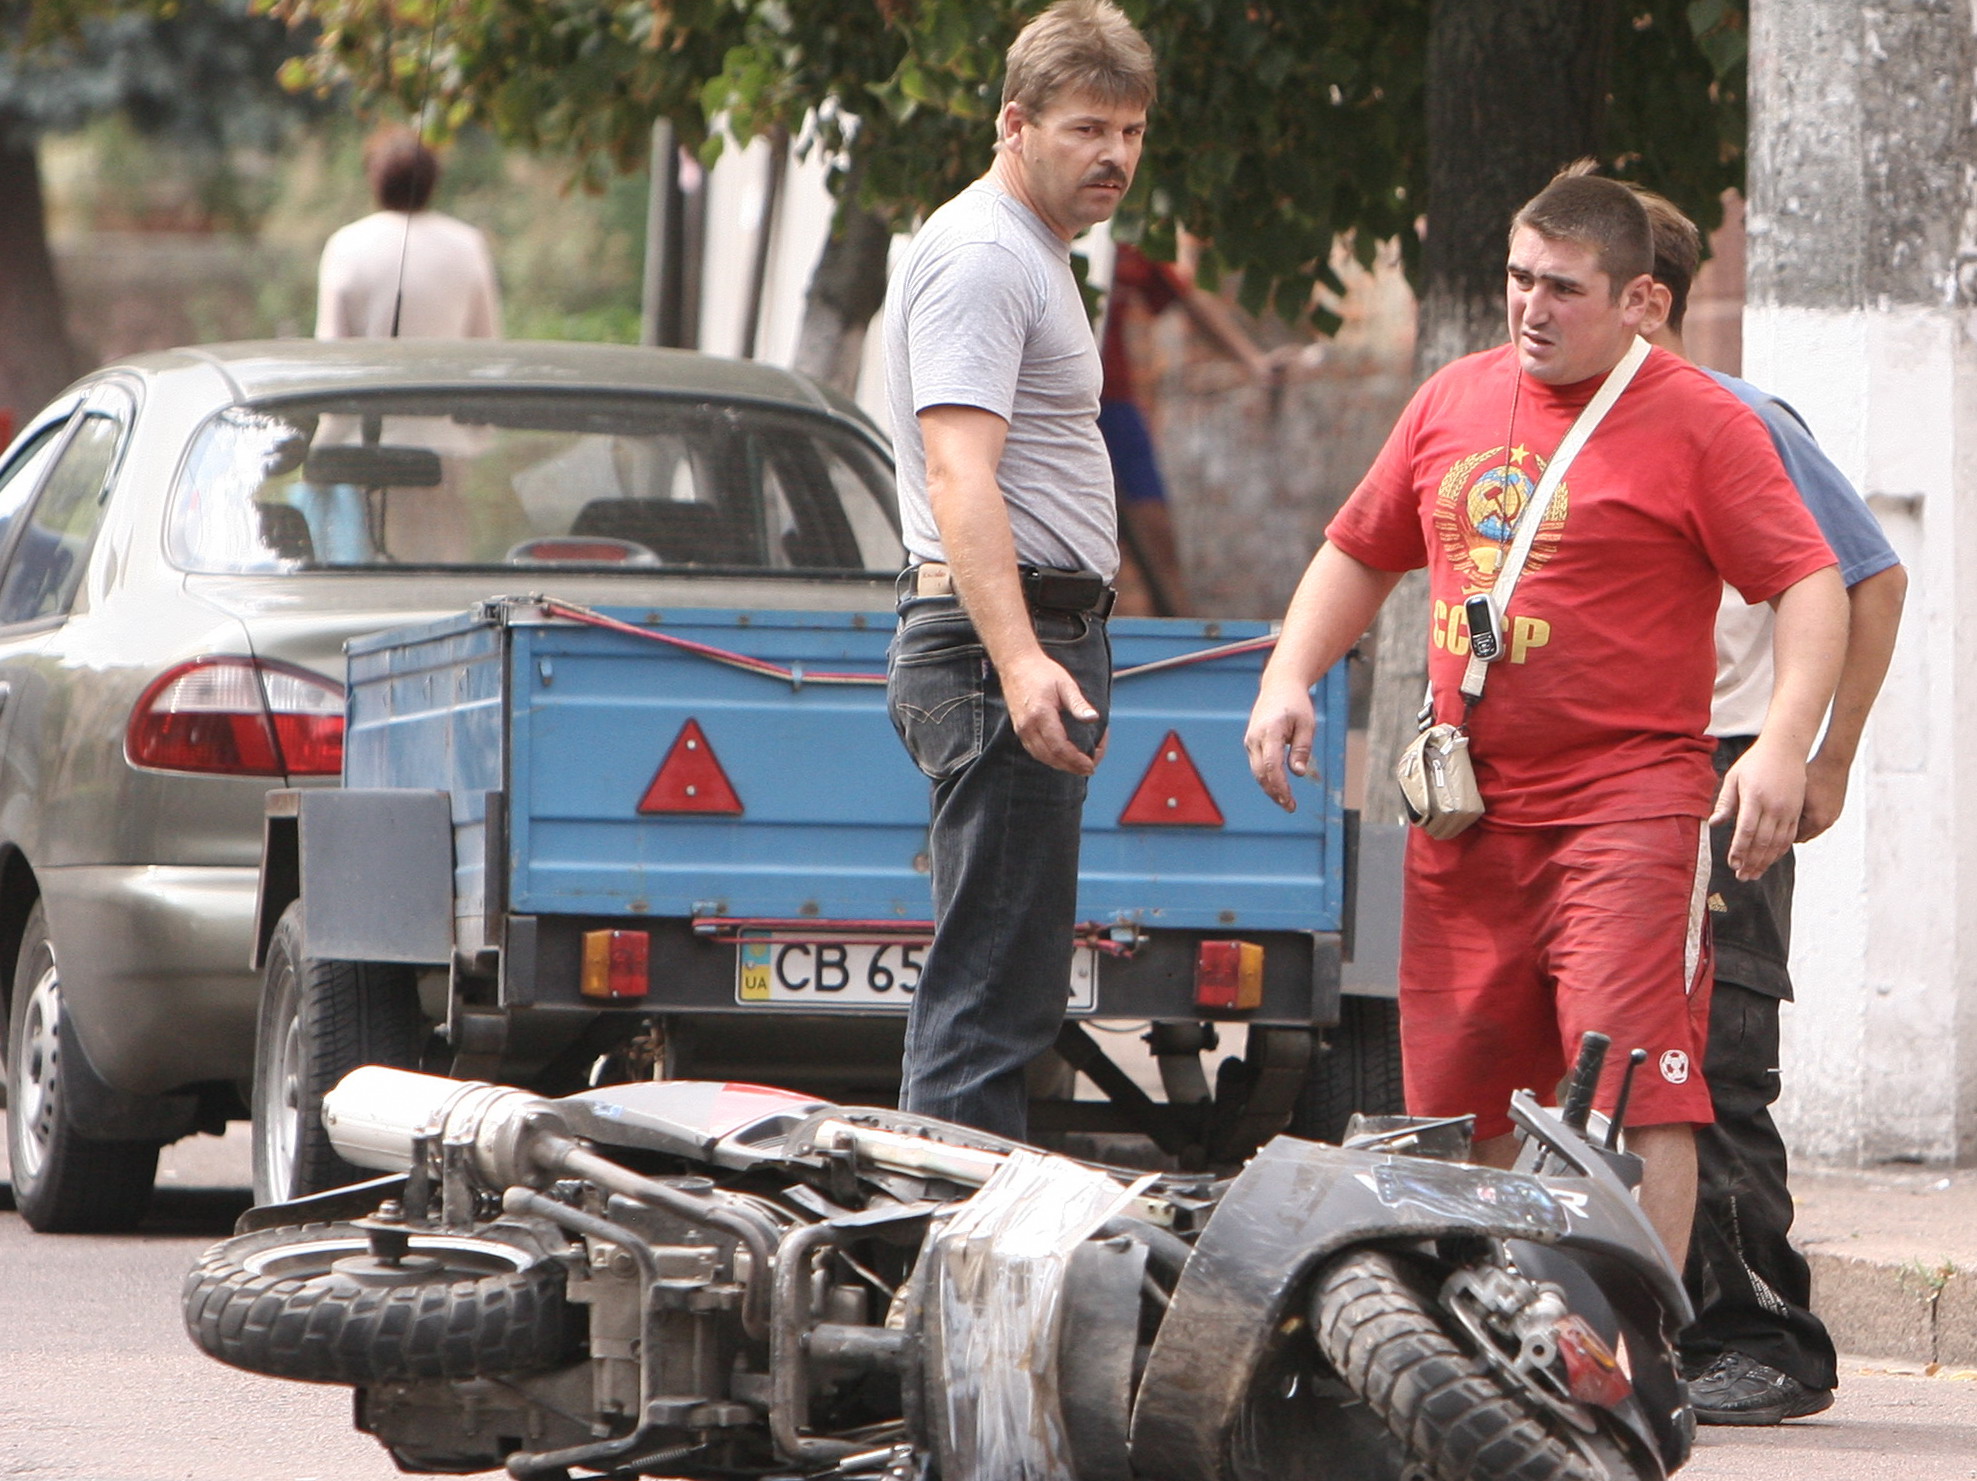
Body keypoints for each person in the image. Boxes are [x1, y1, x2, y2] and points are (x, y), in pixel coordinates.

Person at [1244, 169, 1848, 1266]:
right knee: (1458, 1094)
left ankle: (1641, 1340)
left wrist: (1782, 744)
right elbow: (1360, 548)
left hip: (1628, 811)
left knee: (1639, 1086)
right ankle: (1478, 1328)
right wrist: (1288, 675)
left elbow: (1813, 581)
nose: (1531, 305)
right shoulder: (1451, 398)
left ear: (1640, 302)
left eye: (1563, 287)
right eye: (1519, 278)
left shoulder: (1703, 420)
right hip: (1467, 816)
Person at [1633, 187, 1908, 1425]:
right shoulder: (1579, 429)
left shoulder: (1740, 418)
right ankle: (1657, 1325)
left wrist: (1827, 758)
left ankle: (1764, 1333)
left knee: (1718, 1053)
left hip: (1729, 769)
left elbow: (1870, 578)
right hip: (1620, 773)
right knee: (1624, 1058)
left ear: (1645, 298)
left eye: (1567, 285)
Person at [882, 0, 1154, 1139]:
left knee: (1007, 982)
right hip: (1002, 643)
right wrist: (1022, 658)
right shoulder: (989, 255)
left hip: (1028, 636)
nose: (1115, 156)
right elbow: (960, 472)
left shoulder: (1031, 251)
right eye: (1087, 128)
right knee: (990, 994)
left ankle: (952, 1218)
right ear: (1014, 125)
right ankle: (946, 1234)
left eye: (1131, 132)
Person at [1099, 241, 1280, 615]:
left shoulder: (1122, 240)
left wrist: (1252, 361)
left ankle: (1175, 632)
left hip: (1112, 400)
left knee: (1156, 529)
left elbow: (1185, 296)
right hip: (1044, 404)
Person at [315, 127, 502, 341]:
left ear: (375, 180)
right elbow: (487, 339)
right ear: (433, 180)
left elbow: (331, 341)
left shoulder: (344, 245)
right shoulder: (468, 244)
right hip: (448, 364)